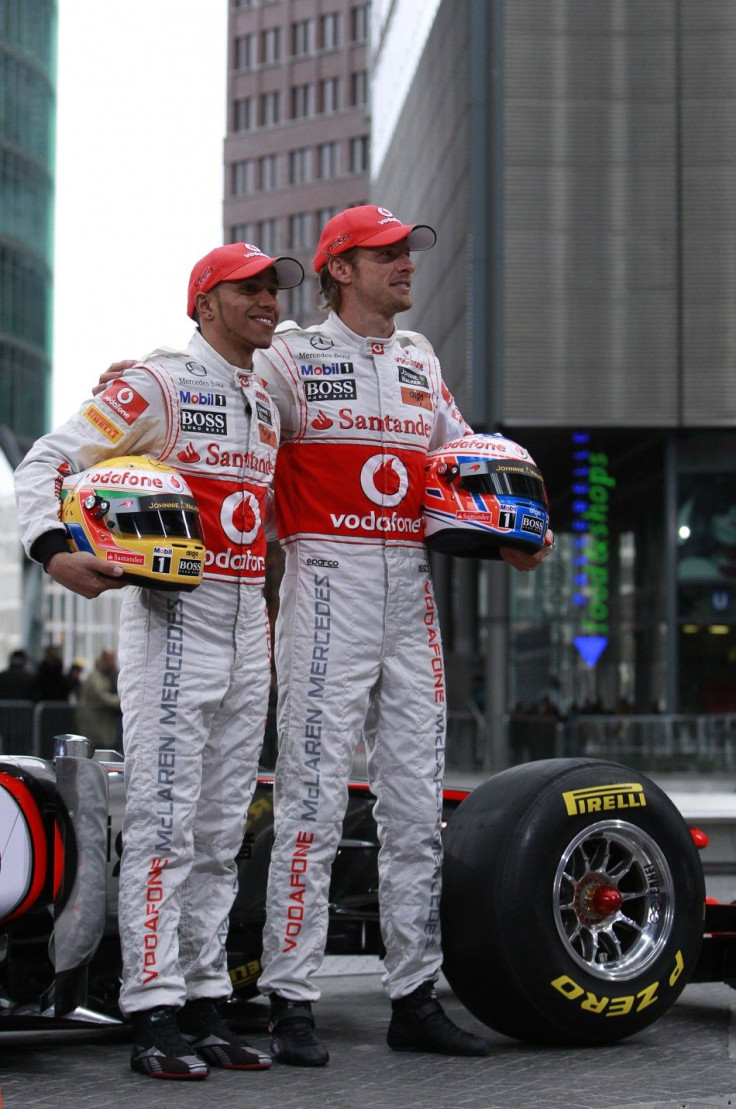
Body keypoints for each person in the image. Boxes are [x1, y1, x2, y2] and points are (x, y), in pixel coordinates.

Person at [251, 205, 554, 1065]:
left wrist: (518, 529)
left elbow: (465, 452)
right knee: (310, 805)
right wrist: (148, 367)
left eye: (408, 251)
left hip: (410, 596)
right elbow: (224, 404)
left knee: (418, 812)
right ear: (338, 269)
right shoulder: (290, 356)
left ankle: (414, 997)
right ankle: (292, 999)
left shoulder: (420, 359)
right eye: (386, 254)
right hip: (325, 584)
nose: (406, 264)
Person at [14, 241, 304, 1081]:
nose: (268, 301)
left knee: (221, 833)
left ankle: (207, 1003)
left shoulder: (264, 397)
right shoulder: (157, 381)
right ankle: (152, 1009)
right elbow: (49, 460)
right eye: (250, 288)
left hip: (247, 617)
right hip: (171, 614)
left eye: (274, 289)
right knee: (163, 823)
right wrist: (54, 549)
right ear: (205, 301)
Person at [76, 648, 122, 749]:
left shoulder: (107, 675)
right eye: (110, 660)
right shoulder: (95, 677)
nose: (112, 663)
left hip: (104, 725)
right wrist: (122, 700)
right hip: (95, 726)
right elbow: (102, 697)